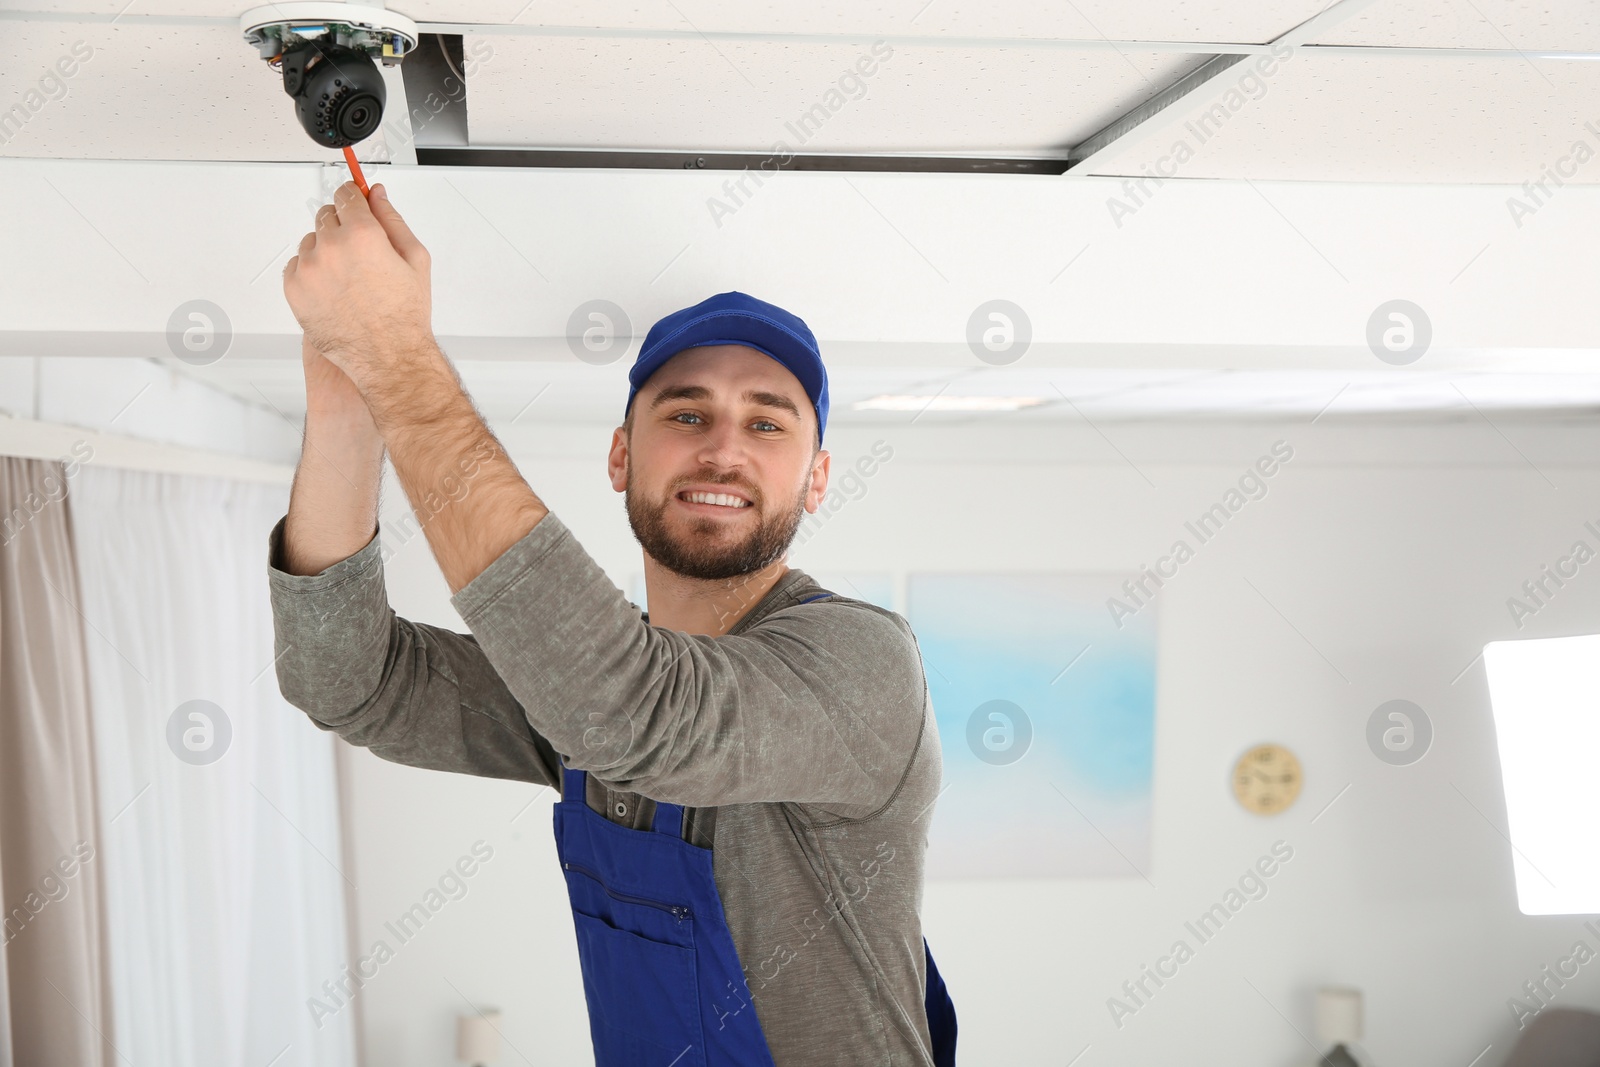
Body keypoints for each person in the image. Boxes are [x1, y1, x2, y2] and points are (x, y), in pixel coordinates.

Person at [268, 180, 956, 1065]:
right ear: (621, 455)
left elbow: (634, 715)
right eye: (687, 412)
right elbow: (350, 678)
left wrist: (400, 358)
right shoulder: (586, 689)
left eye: (768, 423)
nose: (725, 447)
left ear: (817, 478)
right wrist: (347, 402)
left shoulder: (863, 666)